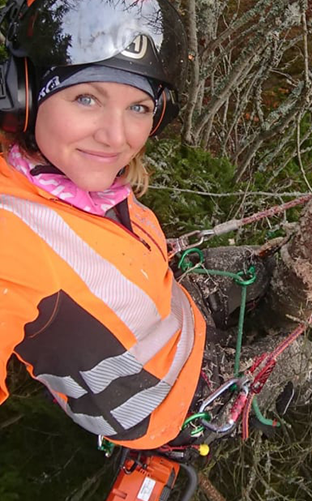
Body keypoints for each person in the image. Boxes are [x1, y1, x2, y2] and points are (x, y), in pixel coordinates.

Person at [0, 0, 212, 451]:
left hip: (183, 331)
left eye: (138, 107)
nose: (118, 138)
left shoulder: (94, 189)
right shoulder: (10, 236)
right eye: (87, 98)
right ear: (22, 97)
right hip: (166, 409)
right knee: (300, 364)